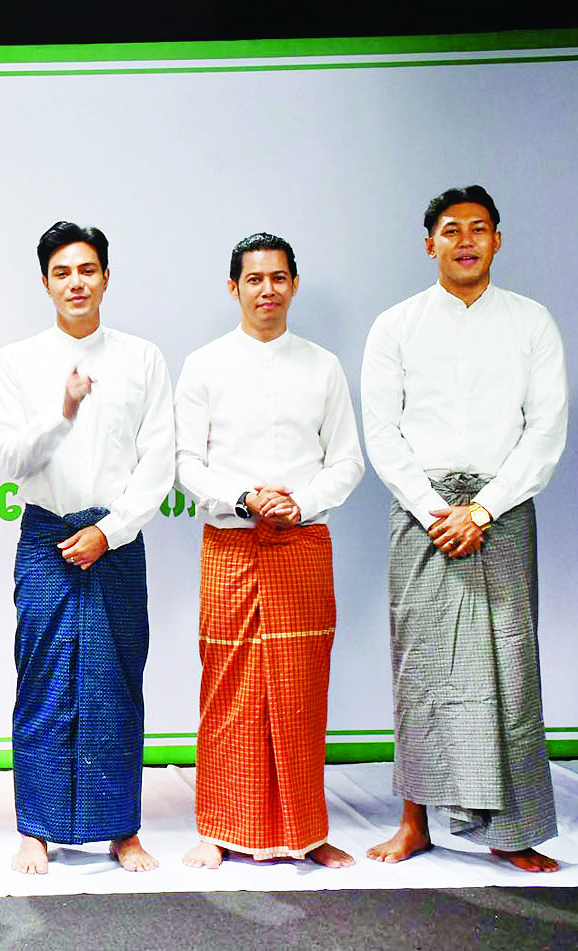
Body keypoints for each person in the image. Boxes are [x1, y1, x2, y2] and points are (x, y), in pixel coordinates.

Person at [361, 186, 568, 873]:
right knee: (419, 668)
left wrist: (483, 509)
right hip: (421, 513)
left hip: (501, 510)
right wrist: (434, 510)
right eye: (451, 230)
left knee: (510, 663)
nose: (465, 241)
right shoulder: (396, 324)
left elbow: (545, 429)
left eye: (479, 229)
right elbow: (382, 433)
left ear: (497, 240)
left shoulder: (530, 321)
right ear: (430, 244)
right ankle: (413, 821)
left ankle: (511, 830)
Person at [0, 221, 174, 874]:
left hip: (116, 540)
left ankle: (122, 828)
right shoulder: (16, 361)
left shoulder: (142, 358)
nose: (76, 282)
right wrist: (61, 412)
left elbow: (158, 459)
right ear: (45, 282)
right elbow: (8, 459)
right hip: (46, 536)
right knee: (40, 679)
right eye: (62, 272)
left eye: (87, 269)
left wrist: (111, 531)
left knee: (116, 683)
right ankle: (36, 830)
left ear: (105, 277)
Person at [175, 232, 363, 869]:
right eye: (254, 279)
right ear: (234, 288)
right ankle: (217, 827)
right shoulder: (204, 365)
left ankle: (308, 831)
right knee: (228, 686)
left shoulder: (323, 366)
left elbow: (347, 461)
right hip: (231, 543)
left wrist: (298, 503)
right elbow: (186, 462)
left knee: (301, 687)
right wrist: (243, 498)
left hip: (302, 542)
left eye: (279, 278)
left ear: (294, 285)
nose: (267, 290)